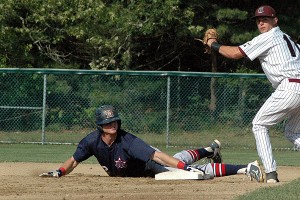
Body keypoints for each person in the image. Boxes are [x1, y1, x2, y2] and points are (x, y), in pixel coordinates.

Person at [40, 105, 263, 182]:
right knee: (180, 158)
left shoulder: (128, 141)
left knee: (190, 171)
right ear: (100, 126)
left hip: (149, 167)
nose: (113, 125)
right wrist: (59, 172)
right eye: (108, 123)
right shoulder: (91, 141)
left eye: (115, 121)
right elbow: (74, 160)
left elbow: (157, 156)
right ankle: (209, 150)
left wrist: (183, 169)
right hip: (142, 166)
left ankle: (245, 168)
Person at [206, 5, 300, 183]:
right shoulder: (288, 39)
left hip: (289, 87)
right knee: (292, 133)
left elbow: (234, 53)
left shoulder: (269, 37)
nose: (261, 22)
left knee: (259, 125)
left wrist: (213, 45)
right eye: (258, 20)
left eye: (265, 19)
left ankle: (271, 173)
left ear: (275, 20)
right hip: (296, 86)